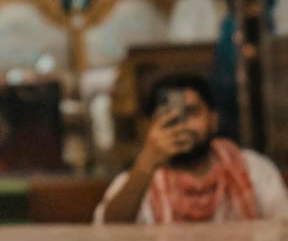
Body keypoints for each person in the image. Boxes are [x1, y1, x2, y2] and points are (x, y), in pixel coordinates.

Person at [94, 71, 288, 224]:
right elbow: (109, 233)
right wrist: (146, 165)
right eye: (167, 116)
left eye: (191, 112)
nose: (182, 126)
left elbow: (283, 230)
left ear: (213, 120)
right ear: (150, 127)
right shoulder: (138, 181)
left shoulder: (252, 169)